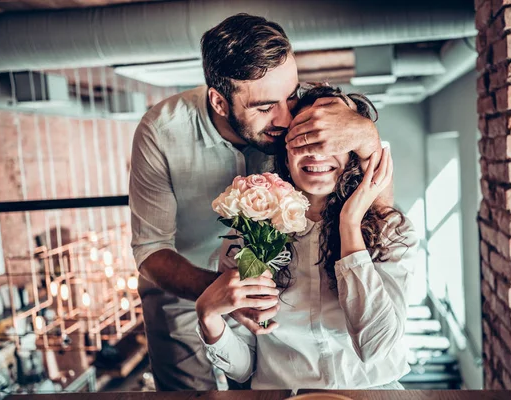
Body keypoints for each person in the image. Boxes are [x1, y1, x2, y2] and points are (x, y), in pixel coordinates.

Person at [129, 15, 386, 390]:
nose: (286, 118)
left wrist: (367, 133)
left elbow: (366, 184)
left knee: (249, 388)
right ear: (219, 100)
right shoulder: (160, 131)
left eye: (291, 96)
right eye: (265, 107)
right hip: (180, 288)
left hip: (268, 288)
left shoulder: (295, 110)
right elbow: (151, 251)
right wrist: (223, 293)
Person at [195, 85, 418, 391]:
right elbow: (244, 366)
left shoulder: (390, 231)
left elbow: (376, 346)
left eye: (333, 138)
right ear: (285, 156)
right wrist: (208, 316)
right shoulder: (248, 232)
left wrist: (349, 224)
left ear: (353, 152)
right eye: (302, 137)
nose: (315, 151)